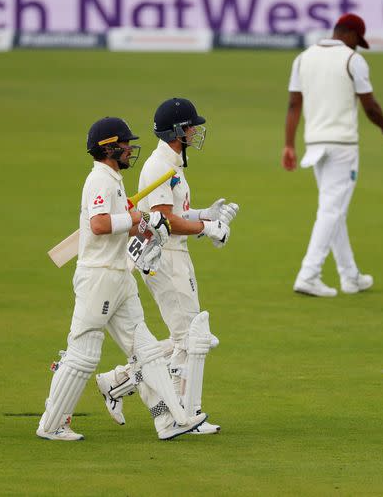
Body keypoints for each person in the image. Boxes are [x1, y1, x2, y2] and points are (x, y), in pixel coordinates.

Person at [36, 116, 207, 441]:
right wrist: (137, 216)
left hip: (119, 276)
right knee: (83, 355)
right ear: (110, 148)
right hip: (99, 276)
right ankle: (52, 424)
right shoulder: (99, 180)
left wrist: (149, 228)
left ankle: (175, 419)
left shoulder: (113, 179)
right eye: (125, 144)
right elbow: (100, 224)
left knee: (148, 351)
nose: (130, 149)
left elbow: (121, 224)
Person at [94, 98, 239, 435]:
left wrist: (204, 215)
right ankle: (183, 414)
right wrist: (207, 229)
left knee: (184, 339)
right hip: (163, 256)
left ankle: (118, 382)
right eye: (191, 127)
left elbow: (172, 213)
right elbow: (166, 221)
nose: (195, 131)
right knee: (189, 338)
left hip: (173, 254)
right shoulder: (160, 165)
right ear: (177, 130)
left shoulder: (172, 163)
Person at [282, 13, 383, 297]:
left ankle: (350, 276)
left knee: (335, 211)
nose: (358, 47)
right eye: (358, 41)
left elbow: (294, 105)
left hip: (315, 144)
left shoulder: (303, 58)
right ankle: (309, 274)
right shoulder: (352, 59)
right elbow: (370, 106)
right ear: (351, 35)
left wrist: (289, 145)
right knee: (331, 210)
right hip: (343, 146)